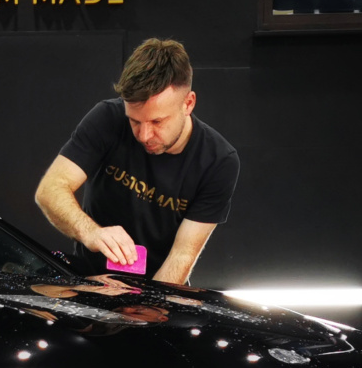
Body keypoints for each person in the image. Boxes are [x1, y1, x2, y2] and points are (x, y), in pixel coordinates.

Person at [34, 37, 239, 286]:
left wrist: (147, 304)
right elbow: (51, 189)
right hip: (90, 279)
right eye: (134, 121)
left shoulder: (218, 161)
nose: (144, 136)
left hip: (158, 285)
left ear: (188, 103)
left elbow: (182, 255)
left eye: (157, 122)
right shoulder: (107, 118)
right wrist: (90, 232)